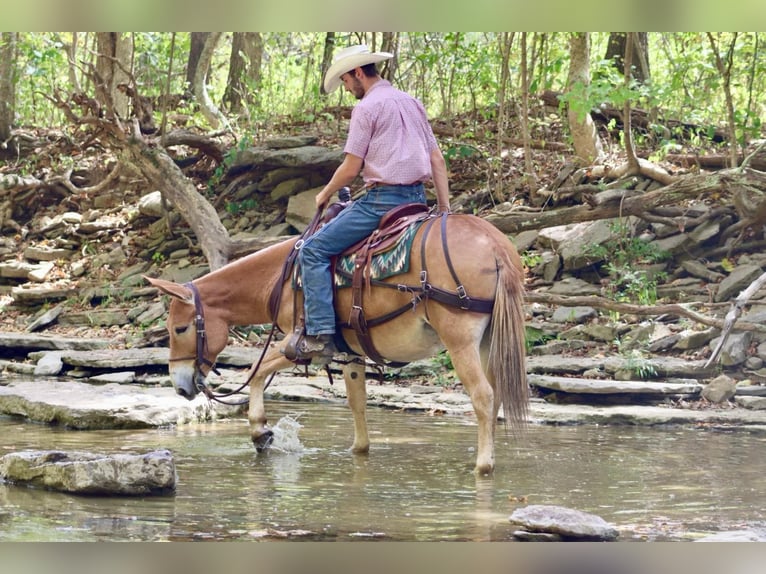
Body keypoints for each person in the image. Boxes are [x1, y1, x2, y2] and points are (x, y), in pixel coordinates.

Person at [286, 44, 451, 362]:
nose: (347, 89)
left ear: (358, 73)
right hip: (417, 201)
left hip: (381, 203)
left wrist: (324, 194)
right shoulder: (412, 102)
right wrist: (444, 209)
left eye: (346, 81)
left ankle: (321, 335)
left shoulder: (367, 108)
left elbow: (351, 167)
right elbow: (437, 160)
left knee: (313, 250)